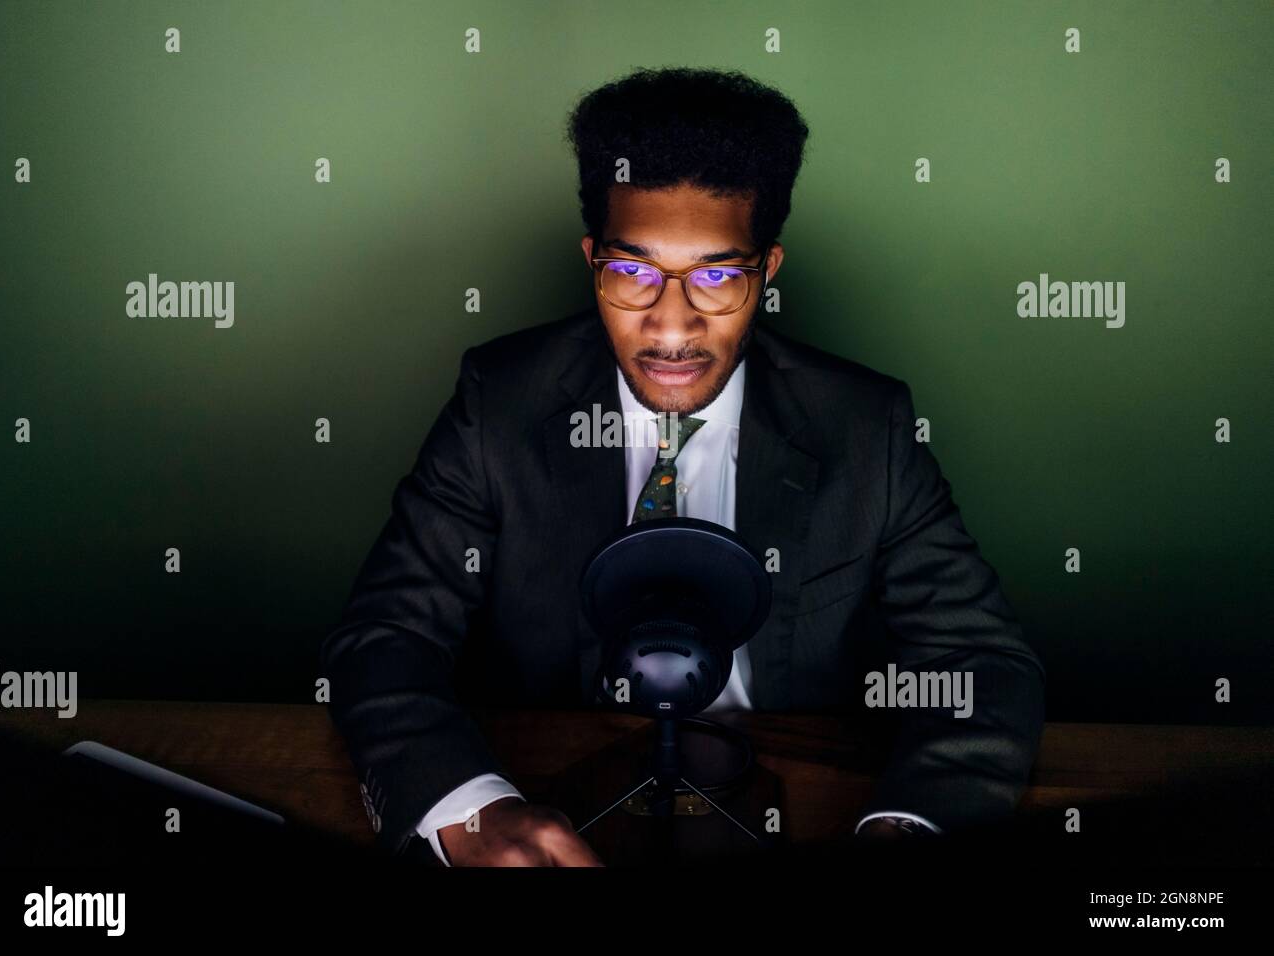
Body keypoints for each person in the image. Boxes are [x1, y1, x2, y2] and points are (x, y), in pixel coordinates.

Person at [320, 67, 1045, 867]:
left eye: (717, 276)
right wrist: (473, 813)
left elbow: (980, 664)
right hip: (551, 796)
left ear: (766, 272)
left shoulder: (864, 426)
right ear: (593, 260)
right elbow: (387, 636)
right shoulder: (500, 402)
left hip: (787, 809)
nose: (671, 324)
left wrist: (904, 831)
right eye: (633, 273)